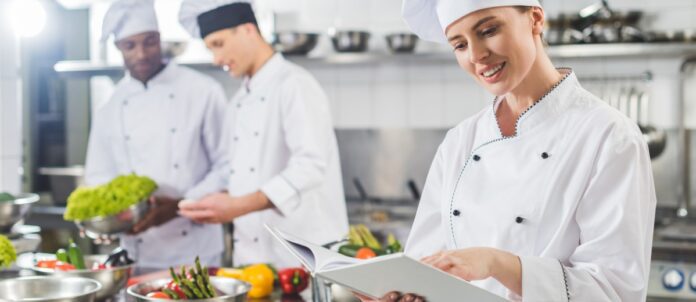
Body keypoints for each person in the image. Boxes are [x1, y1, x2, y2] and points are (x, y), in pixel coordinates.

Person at [362, 0, 657, 301]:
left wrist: (497, 264)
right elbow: (425, 266)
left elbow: (614, 291)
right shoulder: (460, 141)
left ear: (535, 20)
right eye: (460, 45)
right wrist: (402, 293)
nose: (477, 55)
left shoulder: (608, 137)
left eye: (488, 30)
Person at [177, 0, 348, 268]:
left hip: (302, 260)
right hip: (251, 261)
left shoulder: (295, 84)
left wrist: (238, 206)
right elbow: (232, 172)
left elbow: (310, 166)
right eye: (210, 49)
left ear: (247, 30)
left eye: (218, 44)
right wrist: (191, 202)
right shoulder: (238, 103)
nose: (216, 59)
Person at [85, 0, 228, 268]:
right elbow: (99, 177)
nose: (141, 54)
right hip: (136, 252)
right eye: (130, 45)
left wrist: (181, 205)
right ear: (118, 48)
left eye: (149, 42)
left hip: (195, 249)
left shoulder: (203, 91)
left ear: (160, 39)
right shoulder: (110, 107)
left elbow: (227, 166)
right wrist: (101, 217)